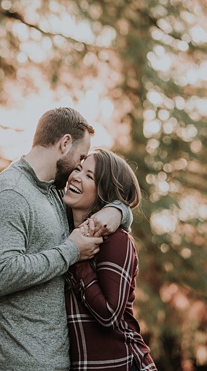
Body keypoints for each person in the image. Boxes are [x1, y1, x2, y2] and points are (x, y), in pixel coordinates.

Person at [0, 107, 135, 371]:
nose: (77, 171)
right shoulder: (10, 194)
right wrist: (70, 250)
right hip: (14, 364)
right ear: (65, 144)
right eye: (81, 158)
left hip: (55, 362)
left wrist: (118, 210)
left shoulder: (54, 195)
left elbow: (105, 200)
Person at [63, 148, 157, 371]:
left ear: (104, 192)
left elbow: (109, 314)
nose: (76, 176)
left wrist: (79, 258)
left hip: (123, 364)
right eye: (78, 169)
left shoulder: (116, 241)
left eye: (89, 176)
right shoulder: (64, 236)